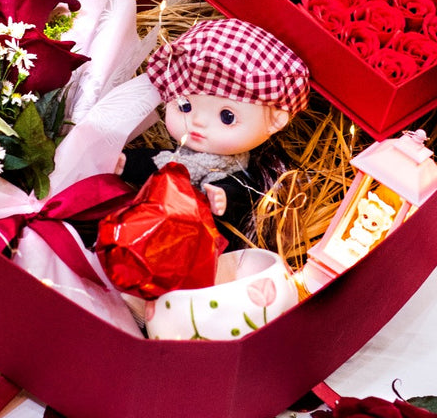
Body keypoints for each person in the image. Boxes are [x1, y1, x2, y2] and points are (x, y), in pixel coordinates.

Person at [121, 18, 310, 247]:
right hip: (149, 228)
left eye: (227, 117)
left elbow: (242, 194)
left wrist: (223, 197)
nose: (198, 122)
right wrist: (128, 163)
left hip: (203, 245)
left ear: (275, 122)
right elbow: (155, 163)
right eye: (185, 106)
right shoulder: (177, 159)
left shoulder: (238, 173)